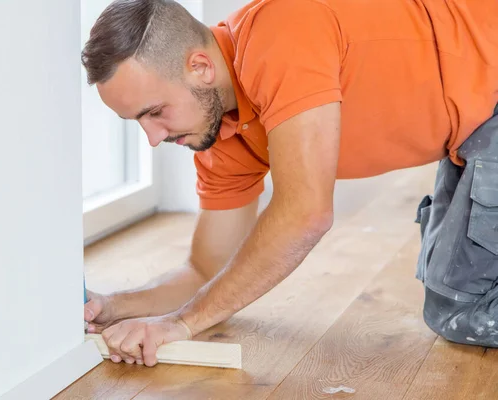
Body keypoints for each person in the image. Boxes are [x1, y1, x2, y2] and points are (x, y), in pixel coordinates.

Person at [81, 0, 498, 367]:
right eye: (137, 121)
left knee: (462, 308)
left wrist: (181, 324)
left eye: (154, 112)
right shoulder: (218, 133)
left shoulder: (279, 34)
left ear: (200, 67)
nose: (152, 138)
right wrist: (114, 307)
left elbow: (306, 213)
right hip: (473, 128)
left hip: (491, 99)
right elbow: (206, 270)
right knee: (449, 278)